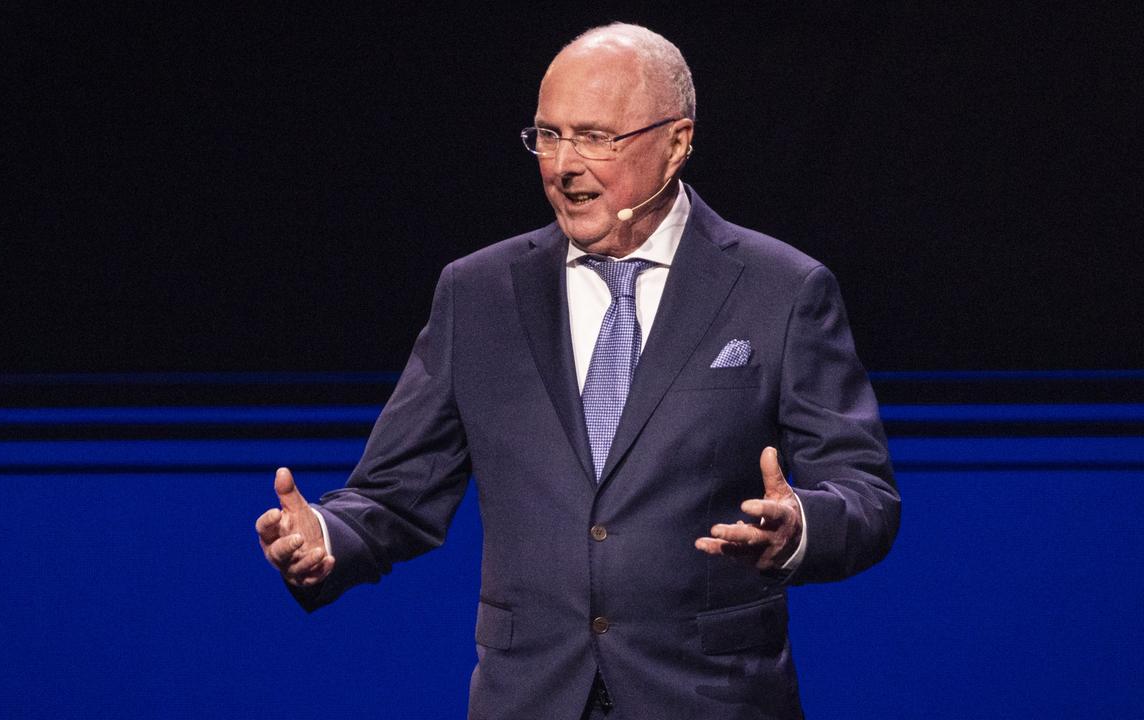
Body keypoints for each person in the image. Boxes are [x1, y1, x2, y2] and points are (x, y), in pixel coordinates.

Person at [256, 22, 899, 719]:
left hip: (710, 698)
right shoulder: (478, 295)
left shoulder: (780, 289)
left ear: (677, 143)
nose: (564, 164)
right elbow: (393, 496)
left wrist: (800, 526)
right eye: (548, 136)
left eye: (595, 137)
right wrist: (327, 536)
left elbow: (866, 495)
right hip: (529, 698)